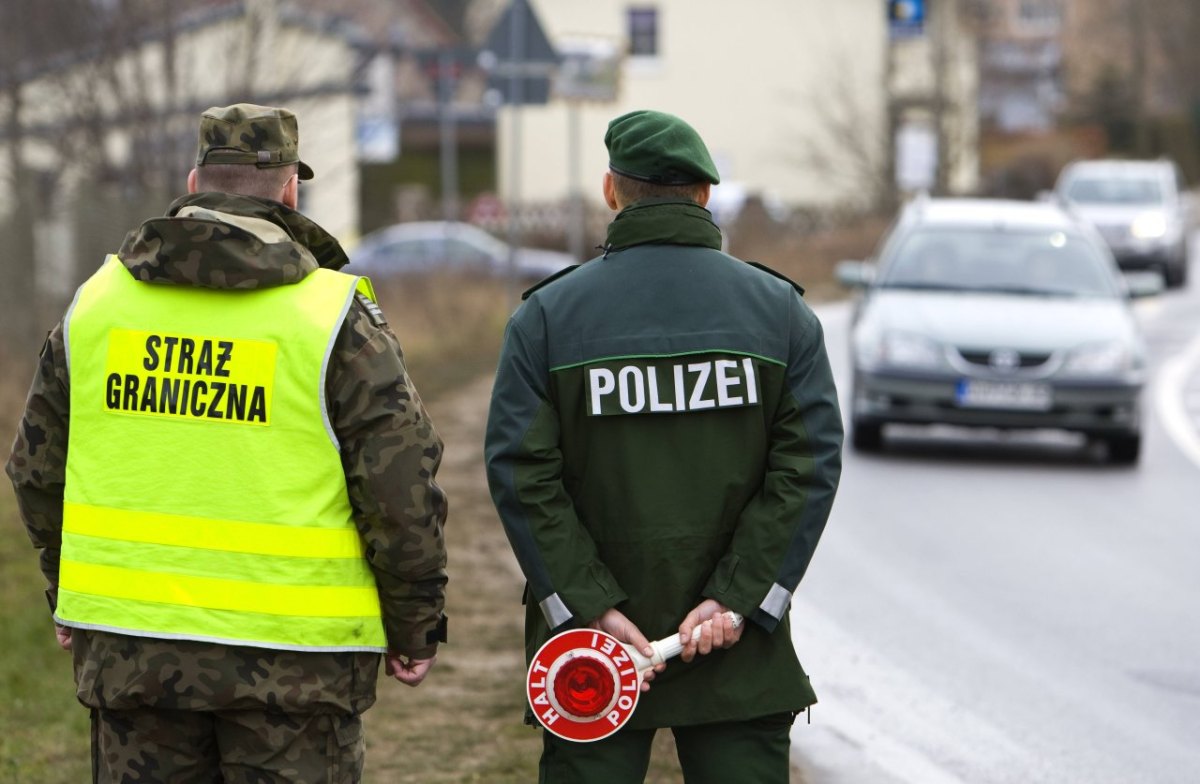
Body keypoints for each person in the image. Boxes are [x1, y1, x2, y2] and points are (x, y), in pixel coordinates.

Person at [6, 103, 448, 783]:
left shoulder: (96, 305)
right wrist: (415, 621)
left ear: (192, 183)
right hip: (296, 668)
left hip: (133, 654)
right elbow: (399, 488)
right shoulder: (333, 320)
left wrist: (65, 585)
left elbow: (36, 469)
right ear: (290, 191)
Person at [484, 109, 843, 783]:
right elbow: (808, 467)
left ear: (610, 191)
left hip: (592, 658)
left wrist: (591, 605)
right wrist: (735, 600)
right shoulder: (779, 313)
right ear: (705, 195)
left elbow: (521, 473)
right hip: (735, 648)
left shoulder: (548, 318)